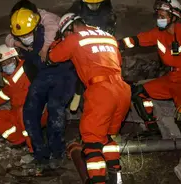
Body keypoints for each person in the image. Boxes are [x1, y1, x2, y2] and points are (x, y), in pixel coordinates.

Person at [48, 13, 131, 184]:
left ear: (69, 28)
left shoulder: (73, 39)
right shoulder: (108, 36)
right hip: (122, 90)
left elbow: (52, 57)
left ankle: (98, 181)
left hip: (101, 91)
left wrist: (58, 41)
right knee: (107, 136)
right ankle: (117, 178)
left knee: (92, 140)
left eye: (64, 34)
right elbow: (117, 61)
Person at [119, 0, 181, 140]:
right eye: (158, 15)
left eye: (163, 16)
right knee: (138, 93)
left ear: (174, 16)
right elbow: (136, 40)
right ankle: (152, 128)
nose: (160, 19)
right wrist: (115, 44)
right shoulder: (157, 34)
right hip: (170, 78)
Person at [9, 4, 76, 175]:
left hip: (63, 73)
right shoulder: (24, 38)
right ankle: (41, 156)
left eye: (26, 34)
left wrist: (46, 48)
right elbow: (8, 38)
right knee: (29, 112)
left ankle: (57, 152)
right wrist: (19, 43)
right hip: (42, 77)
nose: (25, 37)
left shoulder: (49, 30)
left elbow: (53, 24)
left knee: (55, 108)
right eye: (21, 36)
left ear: (36, 26)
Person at [0, 44, 48, 152]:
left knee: (22, 113)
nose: (6, 65)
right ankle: (18, 139)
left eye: (8, 61)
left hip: (37, 112)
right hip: (17, 112)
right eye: (3, 63)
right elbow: (6, 93)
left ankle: (36, 149)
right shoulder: (6, 76)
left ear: (15, 58)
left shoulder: (28, 68)